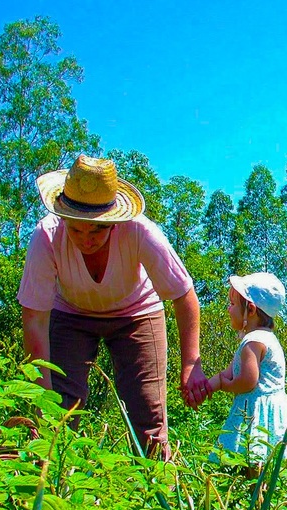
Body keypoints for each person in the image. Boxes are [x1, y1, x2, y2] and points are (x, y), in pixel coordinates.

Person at [18, 154, 210, 460]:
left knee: (147, 415)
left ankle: (158, 489)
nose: (86, 239)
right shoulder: (47, 236)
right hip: (70, 314)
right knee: (56, 410)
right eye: (77, 229)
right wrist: (41, 393)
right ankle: (51, 489)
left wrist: (190, 364)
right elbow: (35, 320)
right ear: (63, 216)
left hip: (136, 312)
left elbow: (183, 295)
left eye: (97, 230)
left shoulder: (140, 231)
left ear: (114, 221)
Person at [190, 272, 287, 473]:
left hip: (256, 412)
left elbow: (248, 381)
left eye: (232, 305)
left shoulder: (253, 342)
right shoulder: (264, 338)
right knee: (267, 463)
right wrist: (203, 389)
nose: (228, 310)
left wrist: (226, 386)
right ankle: (262, 497)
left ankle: (254, 497)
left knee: (254, 460)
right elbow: (227, 373)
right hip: (273, 409)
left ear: (251, 310)